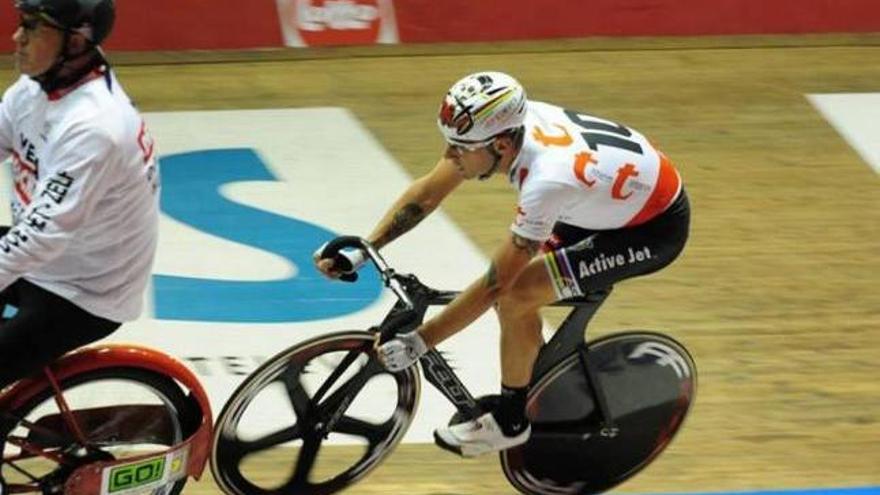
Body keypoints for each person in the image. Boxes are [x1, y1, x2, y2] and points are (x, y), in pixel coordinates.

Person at [315, 71, 689, 457]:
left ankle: (511, 421)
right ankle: (541, 381)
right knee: (520, 294)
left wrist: (421, 341)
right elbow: (428, 192)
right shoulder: (502, 131)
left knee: (515, 297)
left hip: (650, 229)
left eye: (461, 147)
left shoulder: (546, 180)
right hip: (598, 198)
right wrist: (366, 246)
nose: (452, 154)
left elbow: (497, 284)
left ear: (502, 144)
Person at [0, 0, 158, 414]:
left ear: (74, 42)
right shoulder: (34, 88)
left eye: (33, 28)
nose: (17, 37)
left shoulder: (94, 126)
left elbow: (41, 235)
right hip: (49, 260)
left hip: (84, 293)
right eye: (21, 24)